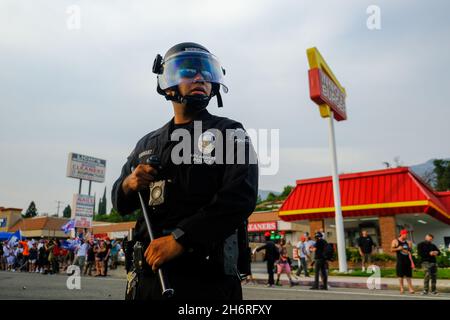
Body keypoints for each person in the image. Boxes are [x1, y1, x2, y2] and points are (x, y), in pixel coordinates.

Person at [112, 42, 258, 300]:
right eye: (189, 71)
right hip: (147, 282)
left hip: (208, 285)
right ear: (167, 83)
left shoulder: (229, 132)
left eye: (206, 73)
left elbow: (241, 196)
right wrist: (129, 184)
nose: (200, 78)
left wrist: (181, 240)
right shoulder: (147, 144)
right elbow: (119, 203)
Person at [391, 229, 415, 294]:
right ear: (401, 234)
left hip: (407, 261)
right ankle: (401, 288)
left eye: (407, 234)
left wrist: (412, 263)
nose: (406, 235)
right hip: (400, 261)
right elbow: (392, 249)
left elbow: (410, 252)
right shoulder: (395, 241)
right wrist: (398, 248)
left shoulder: (409, 242)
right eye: (405, 234)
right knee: (400, 276)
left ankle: (410, 288)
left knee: (408, 276)